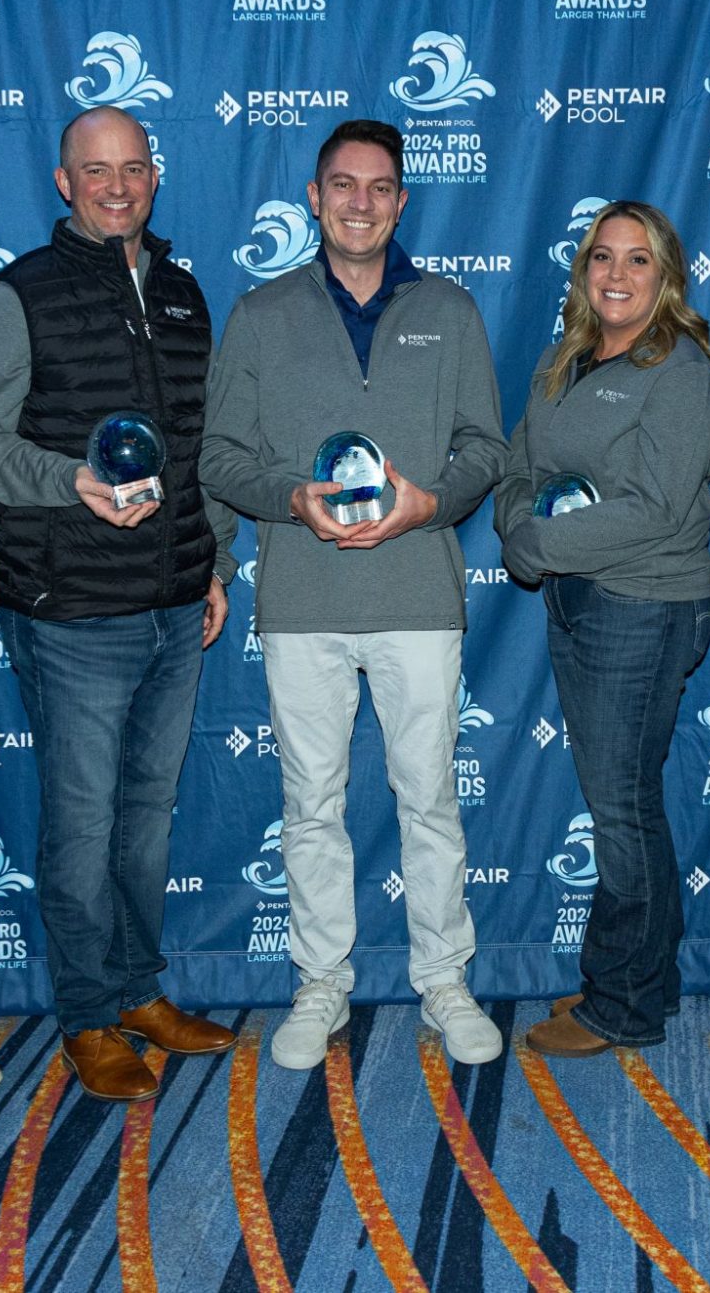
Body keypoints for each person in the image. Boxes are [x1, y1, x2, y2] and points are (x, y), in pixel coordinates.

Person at [0, 105, 236, 1103]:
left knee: (145, 822)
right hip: (70, 612)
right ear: (62, 182)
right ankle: (86, 1016)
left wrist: (213, 564)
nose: (117, 185)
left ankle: (138, 988)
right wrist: (70, 480)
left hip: (171, 605)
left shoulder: (187, 296)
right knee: (80, 825)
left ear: (155, 176)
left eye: (133, 168)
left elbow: (195, 453)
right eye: (94, 169)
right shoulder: (13, 295)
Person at [201, 118, 509, 1071]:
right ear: (314, 197)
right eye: (344, 185)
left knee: (429, 803)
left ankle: (445, 981)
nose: (362, 203)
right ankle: (321, 982)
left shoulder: (450, 310)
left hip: (418, 596)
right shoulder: (260, 314)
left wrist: (430, 503)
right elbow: (219, 458)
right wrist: (291, 497)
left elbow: (487, 450)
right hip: (302, 598)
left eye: (380, 187)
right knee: (311, 804)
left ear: (403, 200)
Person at [496, 202, 710, 1058]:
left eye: (638, 260)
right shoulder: (567, 358)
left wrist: (537, 541)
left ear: (666, 275)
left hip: (644, 605)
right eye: (603, 257)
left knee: (623, 811)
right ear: (583, 269)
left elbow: (660, 509)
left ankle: (625, 1003)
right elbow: (522, 462)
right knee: (622, 804)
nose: (617, 275)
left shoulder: (682, 369)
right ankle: (633, 979)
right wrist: (522, 529)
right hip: (577, 600)